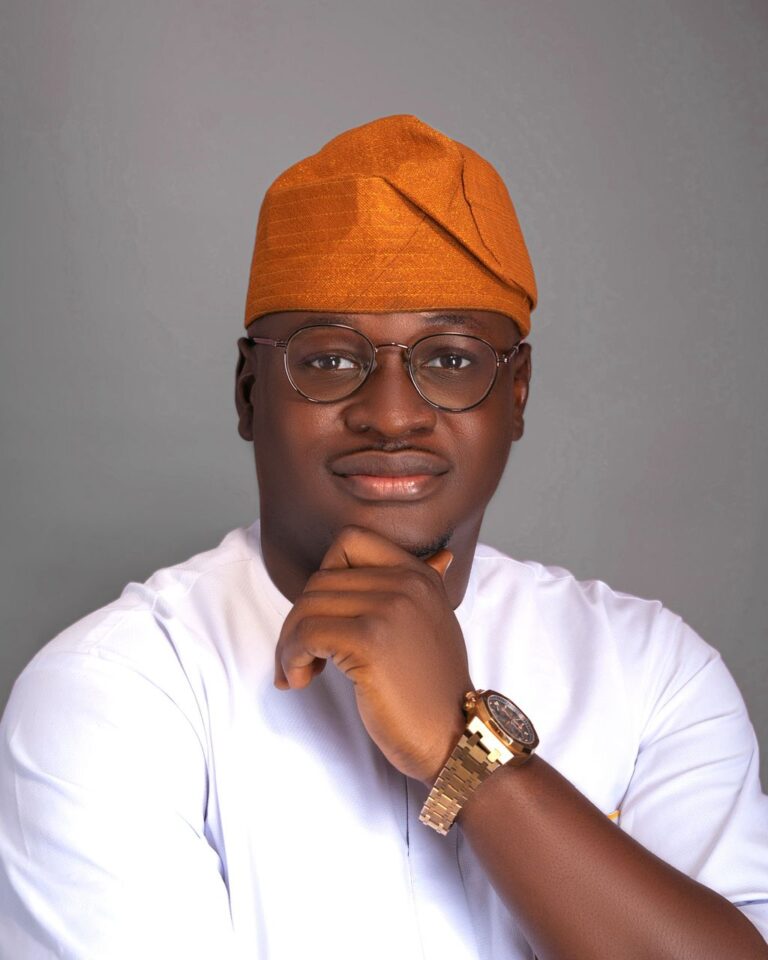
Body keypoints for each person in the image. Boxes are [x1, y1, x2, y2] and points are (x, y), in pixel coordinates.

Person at [0, 114, 766, 960]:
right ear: (250, 392)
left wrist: (466, 752)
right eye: (329, 360)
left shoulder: (652, 673)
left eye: (452, 359)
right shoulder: (117, 690)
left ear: (516, 394)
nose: (393, 415)